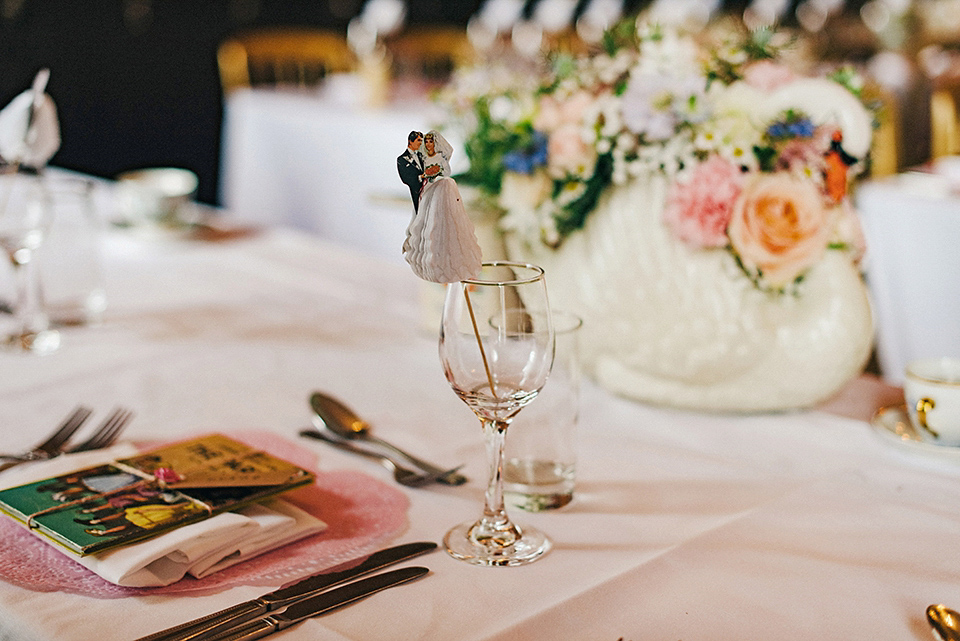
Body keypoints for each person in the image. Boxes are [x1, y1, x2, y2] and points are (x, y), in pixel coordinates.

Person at [402, 130, 482, 283]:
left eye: (431, 142)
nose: (428, 144)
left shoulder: (440, 158)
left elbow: (446, 171)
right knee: (425, 225)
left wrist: (434, 172)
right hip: (427, 192)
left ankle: (450, 260)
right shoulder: (422, 158)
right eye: (426, 142)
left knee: (447, 224)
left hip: (441, 191)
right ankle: (428, 258)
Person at [397, 130, 424, 212]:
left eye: (421, 141)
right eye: (418, 140)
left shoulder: (421, 156)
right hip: (416, 192)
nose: (420, 143)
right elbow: (405, 178)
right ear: (410, 141)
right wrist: (419, 177)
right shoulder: (401, 159)